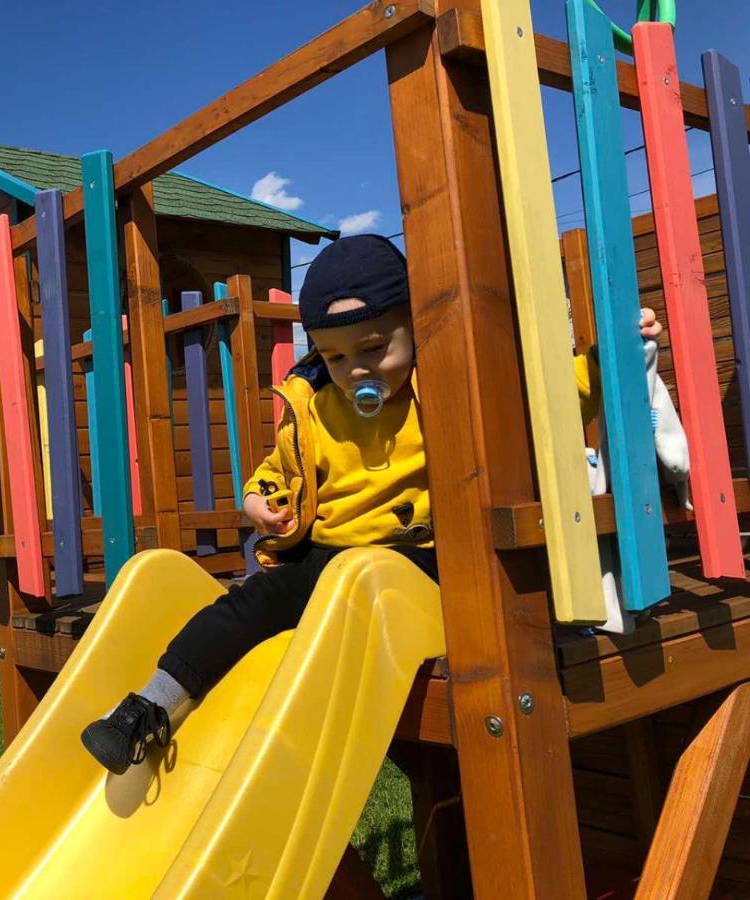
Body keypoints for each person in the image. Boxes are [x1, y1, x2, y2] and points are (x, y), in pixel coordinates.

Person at [81, 234, 662, 776]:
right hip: (328, 559)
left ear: (414, 326)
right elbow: (280, 470)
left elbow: (556, 395)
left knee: (354, 602)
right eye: (334, 358)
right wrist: (258, 502)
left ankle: (308, 714)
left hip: (419, 560)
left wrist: (616, 353)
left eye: (373, 347)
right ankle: (148, 709)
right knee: (241, 607)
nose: (355, 369)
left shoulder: (444, 393)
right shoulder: (317, 409)